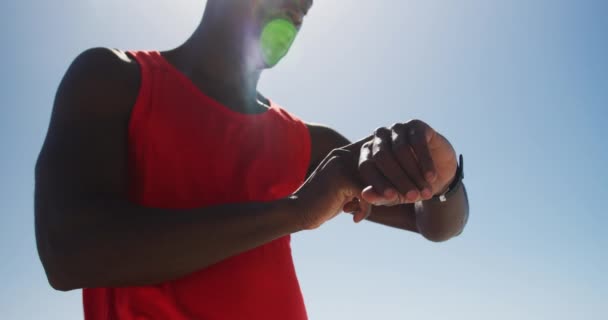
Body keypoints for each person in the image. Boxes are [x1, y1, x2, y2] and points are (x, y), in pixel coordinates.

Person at [35, 0, 469, 319]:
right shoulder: (113, 79)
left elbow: (431, 222)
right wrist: (295, 211)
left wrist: (442, 179)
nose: (302, 6)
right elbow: (68, 252)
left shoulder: (307, 143)